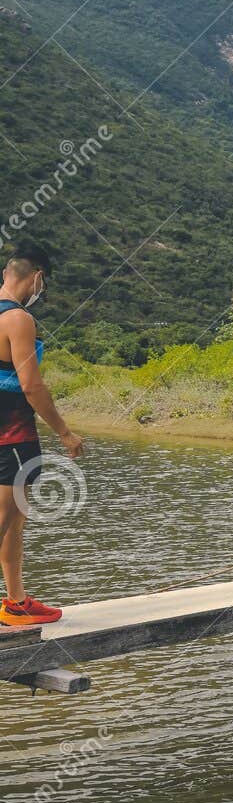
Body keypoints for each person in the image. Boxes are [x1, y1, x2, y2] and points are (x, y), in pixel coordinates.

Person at [0, 249, 83, 627]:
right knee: (5, 519)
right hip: (12, 435)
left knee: (15, 518)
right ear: (36, 277)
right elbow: (32, 386)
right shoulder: (18, 319)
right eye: (43, 283)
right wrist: (64, 432)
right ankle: (15, 603)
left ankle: (15, 602)